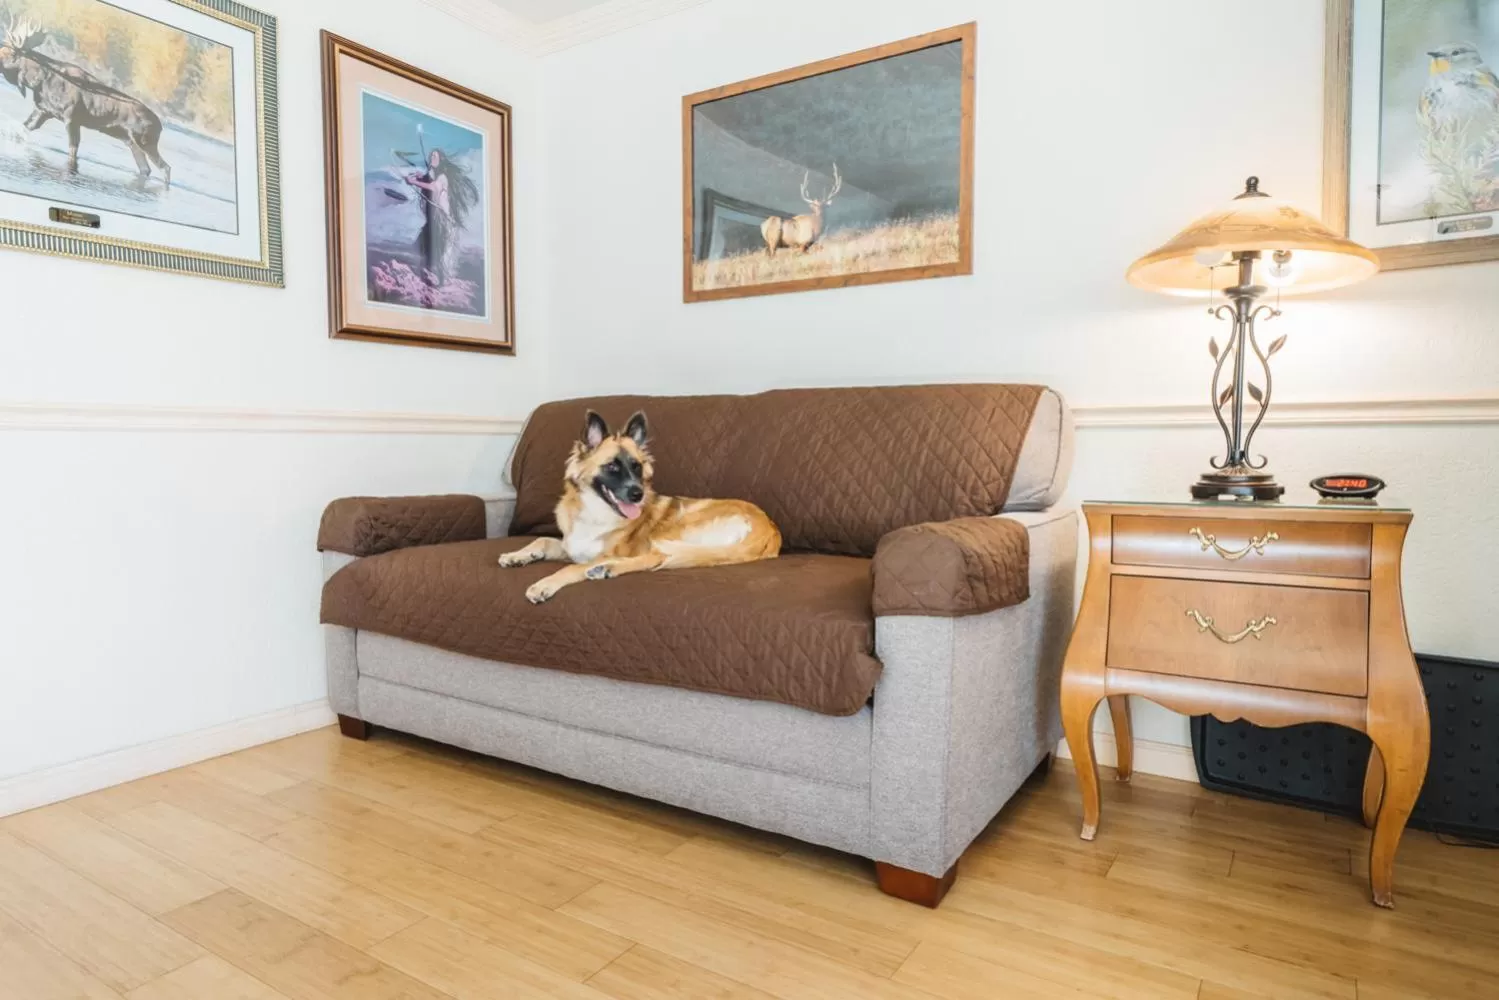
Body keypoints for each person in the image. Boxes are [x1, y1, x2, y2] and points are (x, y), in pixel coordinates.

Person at [405, 148, 479, 286]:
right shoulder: (436, 176)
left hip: (445, 222)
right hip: (437, 221)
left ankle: (441, 283)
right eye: (431, 155)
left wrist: (413, 182)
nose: (432, 158)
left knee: (441, 254)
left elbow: (434, 187)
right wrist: (421, 176)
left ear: (441, 159)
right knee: (425, 248)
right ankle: (430, 279)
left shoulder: (443, 176)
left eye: (435, 156)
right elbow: (431, 181)